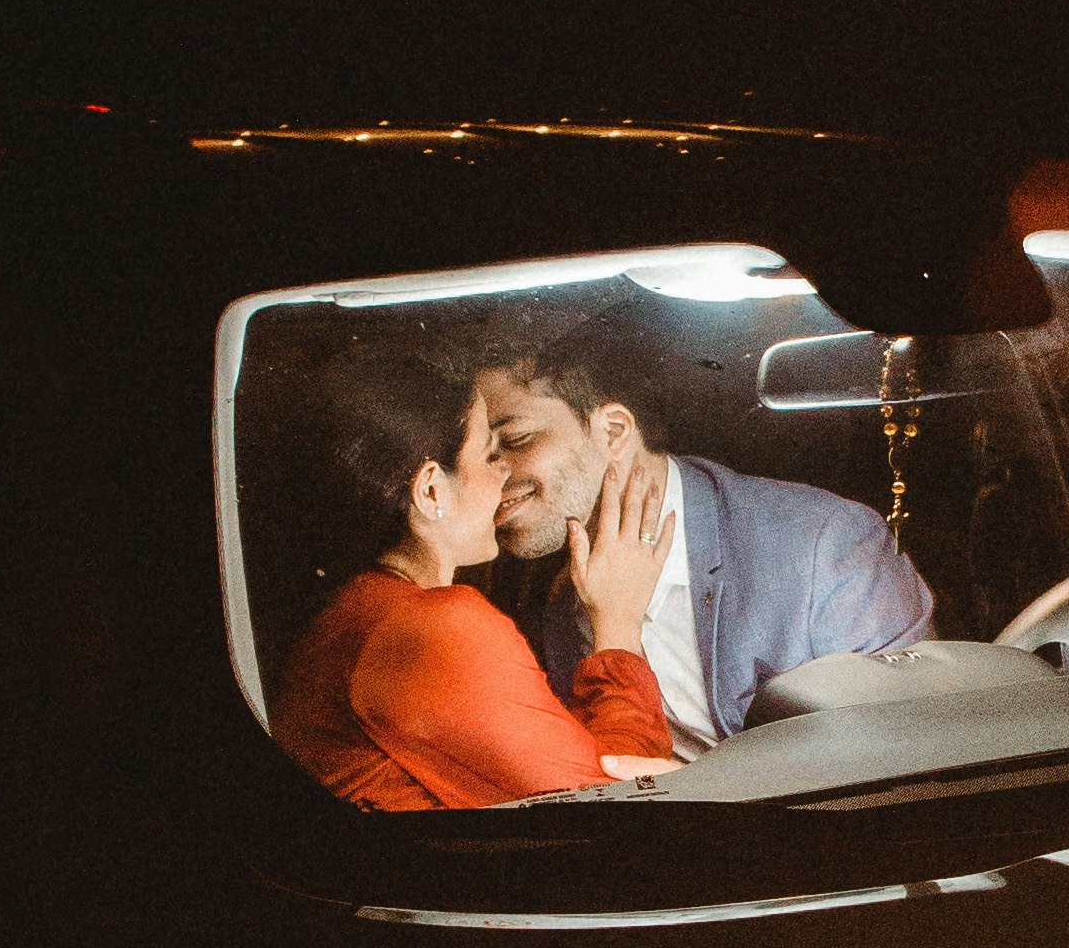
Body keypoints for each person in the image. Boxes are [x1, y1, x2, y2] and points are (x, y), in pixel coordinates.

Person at [272, 338, 675, 808]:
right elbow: (618, 807)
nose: (504, 476)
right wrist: (618, 625)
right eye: (489, 456)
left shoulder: (361, 606)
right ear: (431, 492)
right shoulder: (432, 627)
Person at [476, 338, 933, 750]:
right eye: (479, 453)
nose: (489, 476)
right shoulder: (556, 602)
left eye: (515, 440)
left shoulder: (824, 542)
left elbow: (906, 751)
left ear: (614, 432)